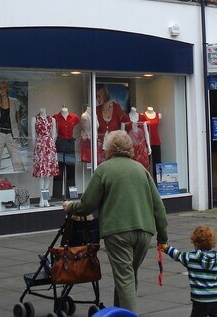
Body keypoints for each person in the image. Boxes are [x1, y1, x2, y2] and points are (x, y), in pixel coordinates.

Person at [62, 130, 168, 314]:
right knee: (128, 276)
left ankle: (128, 314)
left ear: (109, 148)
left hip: (118, 232)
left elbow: (87, 205)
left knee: (125, 278)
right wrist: (163, 237)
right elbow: (158, 206)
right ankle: (119, 312)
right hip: (144, 232)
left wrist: (70, 207)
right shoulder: (141, 169)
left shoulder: (104, 169)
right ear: (129, 147)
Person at [162, 225, 217, 317]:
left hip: (200, 299)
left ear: (195, 243)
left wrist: (166, 248)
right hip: (216, 298)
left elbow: (177, 255)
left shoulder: (191, 257)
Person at [0, 81, 25, 173]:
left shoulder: (14, 102)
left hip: (11, 133)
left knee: (16, 157)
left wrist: (17, 132)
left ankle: (20, 177)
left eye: (4, 87)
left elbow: (18, 119)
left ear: (7, 89)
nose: (2, 90)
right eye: (0, 88)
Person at [30, 108, 59, 206]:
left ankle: (45, 198)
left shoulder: (52, 119)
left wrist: (51, 147)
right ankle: (42, 198)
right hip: (40, 145)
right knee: (42, 173)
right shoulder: (35, 119)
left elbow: (54, 135)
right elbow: (33, 136)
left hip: (49, 146)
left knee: (49, 174)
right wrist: (34, 149)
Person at [95, 84, 125, 164]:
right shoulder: (96, 111)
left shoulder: (117, 108)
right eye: (96, 97)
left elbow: (123, 127)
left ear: (105, 95)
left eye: (99, 96)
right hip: (100, 152)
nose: (97, 99)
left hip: (115, 149)